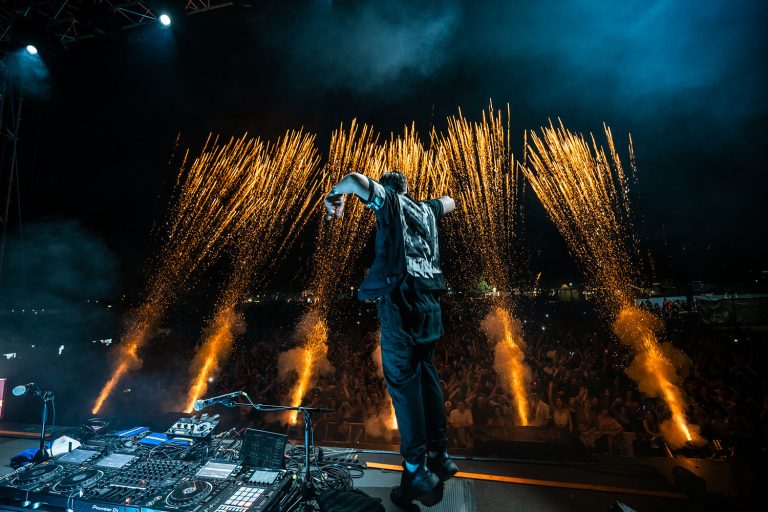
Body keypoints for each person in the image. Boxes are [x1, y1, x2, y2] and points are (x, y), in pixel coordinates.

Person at [324, 170, 457, 509]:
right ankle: (439, 454)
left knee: (403, 388)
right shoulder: (424, 209)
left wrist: (335, 195)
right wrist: (430, 204)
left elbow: (355, 180)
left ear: (387, 189)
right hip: (430, 309)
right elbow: (450, 202)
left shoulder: (390, 201)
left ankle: (415, 465)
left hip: (402, 309)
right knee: (427, 378)